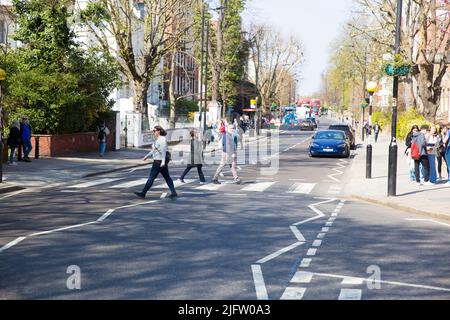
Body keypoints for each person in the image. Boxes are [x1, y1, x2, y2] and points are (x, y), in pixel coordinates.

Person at [135, 126, 177, 199]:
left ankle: (143, 193)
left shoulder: (162, 139)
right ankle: (173, 192)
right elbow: (154, 150)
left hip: (159, 161)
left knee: (151, 177)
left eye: (154, 130)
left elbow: (163, 151)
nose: (153, 132)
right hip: (159, 161)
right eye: (153, 130)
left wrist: (163, 161)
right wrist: (147, 156)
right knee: (167, 177)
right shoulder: (158, 139)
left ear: (159, 131)